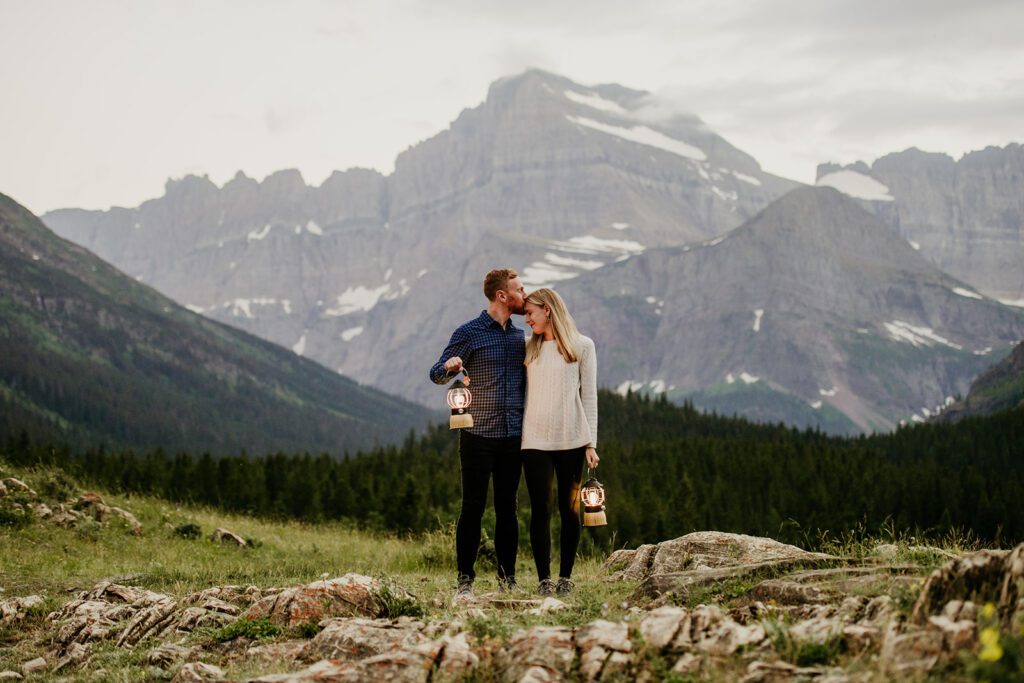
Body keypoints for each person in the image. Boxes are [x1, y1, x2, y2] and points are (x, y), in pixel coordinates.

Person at [429, 268, 528, 604]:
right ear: (502, 295)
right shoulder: (468, 333)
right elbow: (436, 374)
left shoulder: (520, 338)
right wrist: (450, 366)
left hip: (513, 435)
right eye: (519, 289)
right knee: (472, 507)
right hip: (476, 434)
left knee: (507, 509)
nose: (524, 294)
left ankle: (508, 580)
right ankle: (464, 583)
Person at [520, 287, 599, 596]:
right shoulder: (528, 348)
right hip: (535, 440)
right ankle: (544, 580)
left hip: (572, 440)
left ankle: (565, 578)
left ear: (548, 310)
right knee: (541, 509)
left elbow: (589, 395)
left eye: (530, 313)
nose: (526, 319)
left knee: (569, 510)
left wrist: (591, 443)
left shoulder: (582, 346)